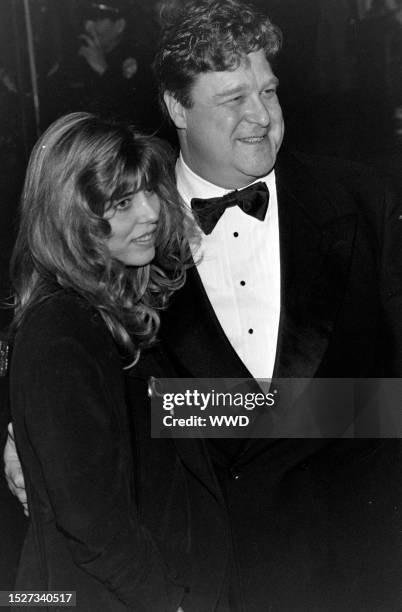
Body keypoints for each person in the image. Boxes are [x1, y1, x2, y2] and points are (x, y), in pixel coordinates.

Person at [6, 1, 402, 610]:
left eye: (268, 92)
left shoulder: (367, 199)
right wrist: (30, 435)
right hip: (199, 576)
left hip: (351, 565)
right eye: (232, 99)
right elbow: (76, 377)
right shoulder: (124, 220)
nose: (261, 117)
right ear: (175, 108)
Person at [7, 112, 193, 611]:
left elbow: (175, 411)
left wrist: (364, 409)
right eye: (123, 203)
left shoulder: (102, 310)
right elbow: (93, 523)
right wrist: (167, 602)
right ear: (73, 219)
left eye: (149, 192)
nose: (152, 212)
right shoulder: (63, 331)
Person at [42, 1, 159, 131]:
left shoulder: (140, 59)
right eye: (87, 19)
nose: (88, 26)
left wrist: (104, 71)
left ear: (119, 26)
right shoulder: (76, 59)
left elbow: (138, 113)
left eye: (97, 19)